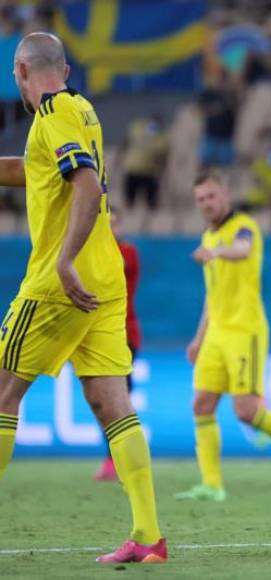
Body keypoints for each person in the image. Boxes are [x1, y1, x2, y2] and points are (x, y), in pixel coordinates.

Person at [0, 32, 165, 564]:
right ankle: (148, 536)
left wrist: (64, 260)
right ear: (65, 70)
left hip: (60, 281)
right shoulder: (81, 111)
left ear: (20, 72)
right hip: (105, 278)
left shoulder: (52, 117)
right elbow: (36, 172)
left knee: (1, 395)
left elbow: (87, 187)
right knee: (110, 403)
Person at [176, 171, 271, 502]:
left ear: (225, 195)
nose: (206, 204)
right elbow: (211, 295)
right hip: (215, 332)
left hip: (245, 331)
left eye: (211, 196)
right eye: (200, 199)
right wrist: (199, 337)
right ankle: (212, 484)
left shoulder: (244, 227)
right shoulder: (208, 238)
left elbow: (241, 250)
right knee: (201, 403)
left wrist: (215, 253)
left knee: (245, 410)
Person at [94, 206, 142, 482]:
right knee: (102, 401)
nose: (111, 228)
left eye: (115, 223)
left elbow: (107, 272)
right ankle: (116, 457)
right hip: (97, 336)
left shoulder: (127, 254)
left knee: (117, 399)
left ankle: (123, 460)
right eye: (106, 223)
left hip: (124, 334)